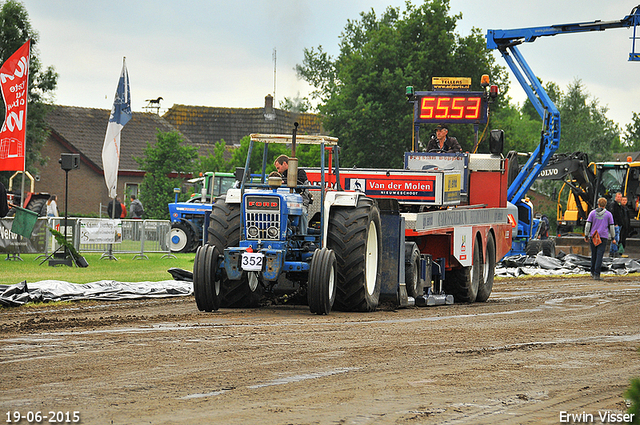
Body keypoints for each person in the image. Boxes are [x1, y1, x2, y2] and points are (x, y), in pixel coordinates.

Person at [584, 197, 616, 280]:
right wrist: (613, 237)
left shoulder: (592, 213)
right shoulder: (609, 215)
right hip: (603, 237)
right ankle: (597, 274)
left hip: (594, 236)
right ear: (605, 205)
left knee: (593, 254)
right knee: (599, 255)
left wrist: (586, 235)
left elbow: (588, 225)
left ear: (598, 204)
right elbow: (611, 227)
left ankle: (592, 271)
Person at [608, 192, 623, 257]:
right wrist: (615, 223)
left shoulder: (618, 205)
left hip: (618, 224)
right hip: (615, 225)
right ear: (615, 197)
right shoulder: (613, 205)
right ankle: (614, 252)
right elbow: (612, 214)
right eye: (618, 197)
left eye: (620, 197)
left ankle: (612, 252)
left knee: (615, 238)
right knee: (615, 239)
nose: (619, 198)